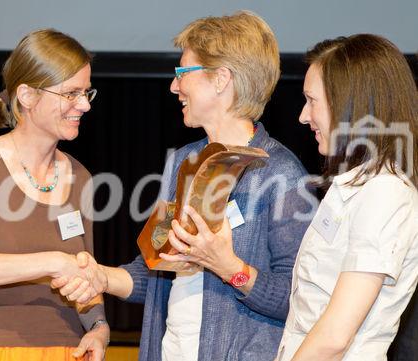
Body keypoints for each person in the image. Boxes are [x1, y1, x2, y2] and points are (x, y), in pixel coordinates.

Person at [54, 11, 314, 361]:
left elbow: (297, 299)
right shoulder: (185, 162)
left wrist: (229, 267)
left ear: (221, 79)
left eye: (182, 73)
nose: (174, 86)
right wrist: (100, 277)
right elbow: (157, 271)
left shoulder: (281, 173)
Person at [0, 29, 109, 361]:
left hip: (68, 349)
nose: (85, 105)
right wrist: (53, 261)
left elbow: (84, 278)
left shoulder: (80, 177)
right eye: (71, 93)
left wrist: (99, 328)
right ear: (28, 95)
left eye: (87, 92)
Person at [276, 34, 418, 361]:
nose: (302, 116)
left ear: (350, 102)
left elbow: (335, 336)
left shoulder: (385, 192)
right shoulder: (357, 187)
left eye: (312, 100)